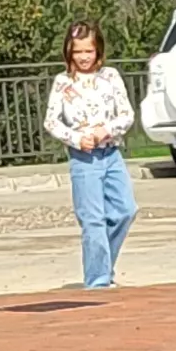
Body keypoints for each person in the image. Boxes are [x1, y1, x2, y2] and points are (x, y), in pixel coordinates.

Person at [45, 22, 136, 289]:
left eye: (89, 51)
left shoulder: (110, 77)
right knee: (93, 220)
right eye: (78, 52)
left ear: (98, 51)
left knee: (125, 210)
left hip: (110, 154)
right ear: (69, 53)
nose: (84, 57)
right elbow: (51, 121)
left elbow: (126, 115)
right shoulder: (62, 82)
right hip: (83, 160)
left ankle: (103, 264)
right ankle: (97, 281)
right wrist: (75, 138)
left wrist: (104, 130)